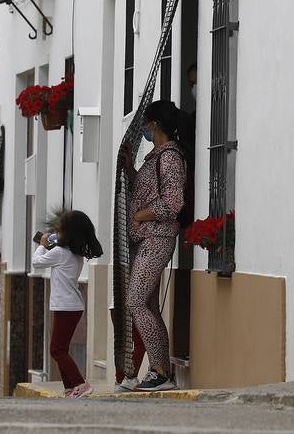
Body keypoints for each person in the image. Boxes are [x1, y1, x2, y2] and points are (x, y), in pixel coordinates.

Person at [120, 100, 186, 392]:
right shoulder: (154, 157)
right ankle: (160, 369)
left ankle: (160, 370)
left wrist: (140, 215)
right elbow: (146, 190)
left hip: (157, 238)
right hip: (144, 239)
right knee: (146, 304)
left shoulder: (170, 157)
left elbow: (173, 202)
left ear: (154, 125)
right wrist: (130, 171)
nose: (144, 129)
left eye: (146, 124)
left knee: (136, 301)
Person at [32, 210, 103, 399]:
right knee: (61, 349)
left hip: (66, 307)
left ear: (68, 232)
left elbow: (36, 262)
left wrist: (41, 245)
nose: (57, 232)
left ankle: (80, 383)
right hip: (71, 306)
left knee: (57, 349)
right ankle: (70, 388)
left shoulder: (59, 252)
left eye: (60, 229)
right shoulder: (73, 254)